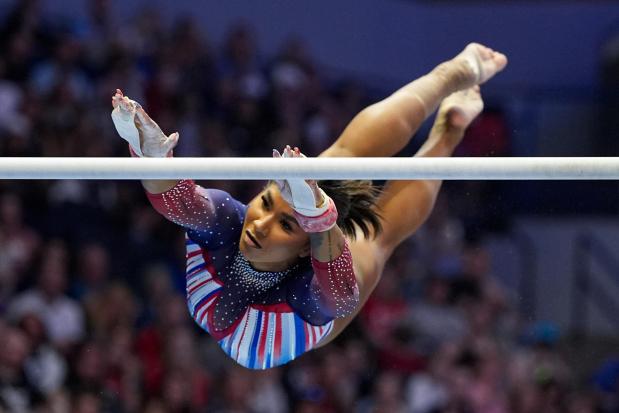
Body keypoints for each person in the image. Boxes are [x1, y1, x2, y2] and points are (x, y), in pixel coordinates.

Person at [111, 43, 507, 369]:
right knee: (377, 228)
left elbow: (338, 290)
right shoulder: (231, 222)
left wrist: (316, 219)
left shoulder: (306, 286)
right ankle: (450, 128)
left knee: (343, 165)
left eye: (284, 224)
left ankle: (451, 74)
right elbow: (180, 202)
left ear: (305, 246)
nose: (261, 224)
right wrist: (153, 161)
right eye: (266, 202)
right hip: (308, 299)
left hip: (318, 265)